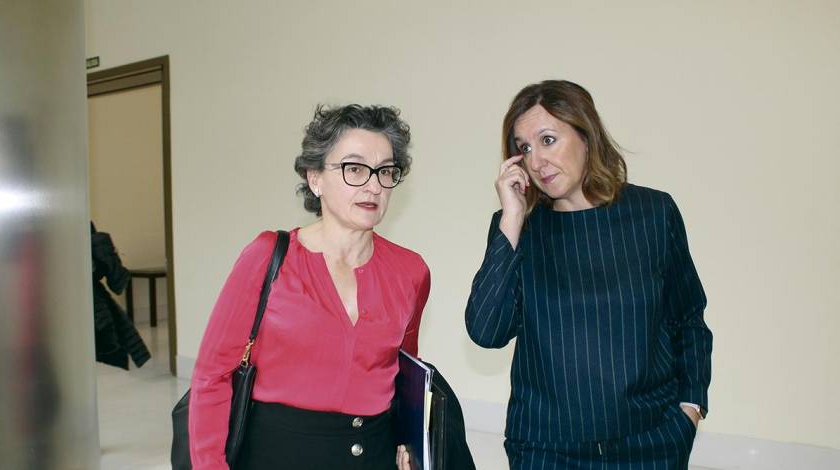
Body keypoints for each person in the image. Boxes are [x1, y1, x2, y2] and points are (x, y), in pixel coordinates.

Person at [465, 80, 712, 469]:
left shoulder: (654, 213)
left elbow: (687, 318)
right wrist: (511, 218)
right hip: (545, 449)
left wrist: (691, 408)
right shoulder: (519, 228)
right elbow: (487, 331)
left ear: (586, 135)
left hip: (650, 444)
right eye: (523, 148)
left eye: (548, 140)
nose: (536, 160)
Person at [189, 104, 430, 470]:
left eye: (385, 171)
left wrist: (408, 443)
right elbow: (212, 375)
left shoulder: (411, 270)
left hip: (374, 455)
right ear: (315, 177)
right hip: (278, 454)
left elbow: (405, 372)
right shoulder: (268, 256)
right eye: (354, 168)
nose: (373, 185)